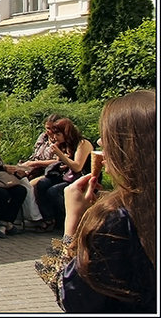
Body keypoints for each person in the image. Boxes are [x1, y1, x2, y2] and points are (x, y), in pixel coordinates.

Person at [39, 90, 156, 312]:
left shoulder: (117, 220)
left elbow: (73, 299)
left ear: (130, 147)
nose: (101, 142)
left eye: (109, 136)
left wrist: (72, 225)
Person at [33, 116, 93, 232]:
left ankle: (68, 220)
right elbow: (62, 162)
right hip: (67, 176)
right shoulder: (64, 144)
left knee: (54, 191)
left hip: (83, 178)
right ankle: (49, 218)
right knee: (42, 184)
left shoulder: (82, 143)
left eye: (58, 134)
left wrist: (60, 154)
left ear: (66, 133)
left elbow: (77, 167)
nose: (54, 138)